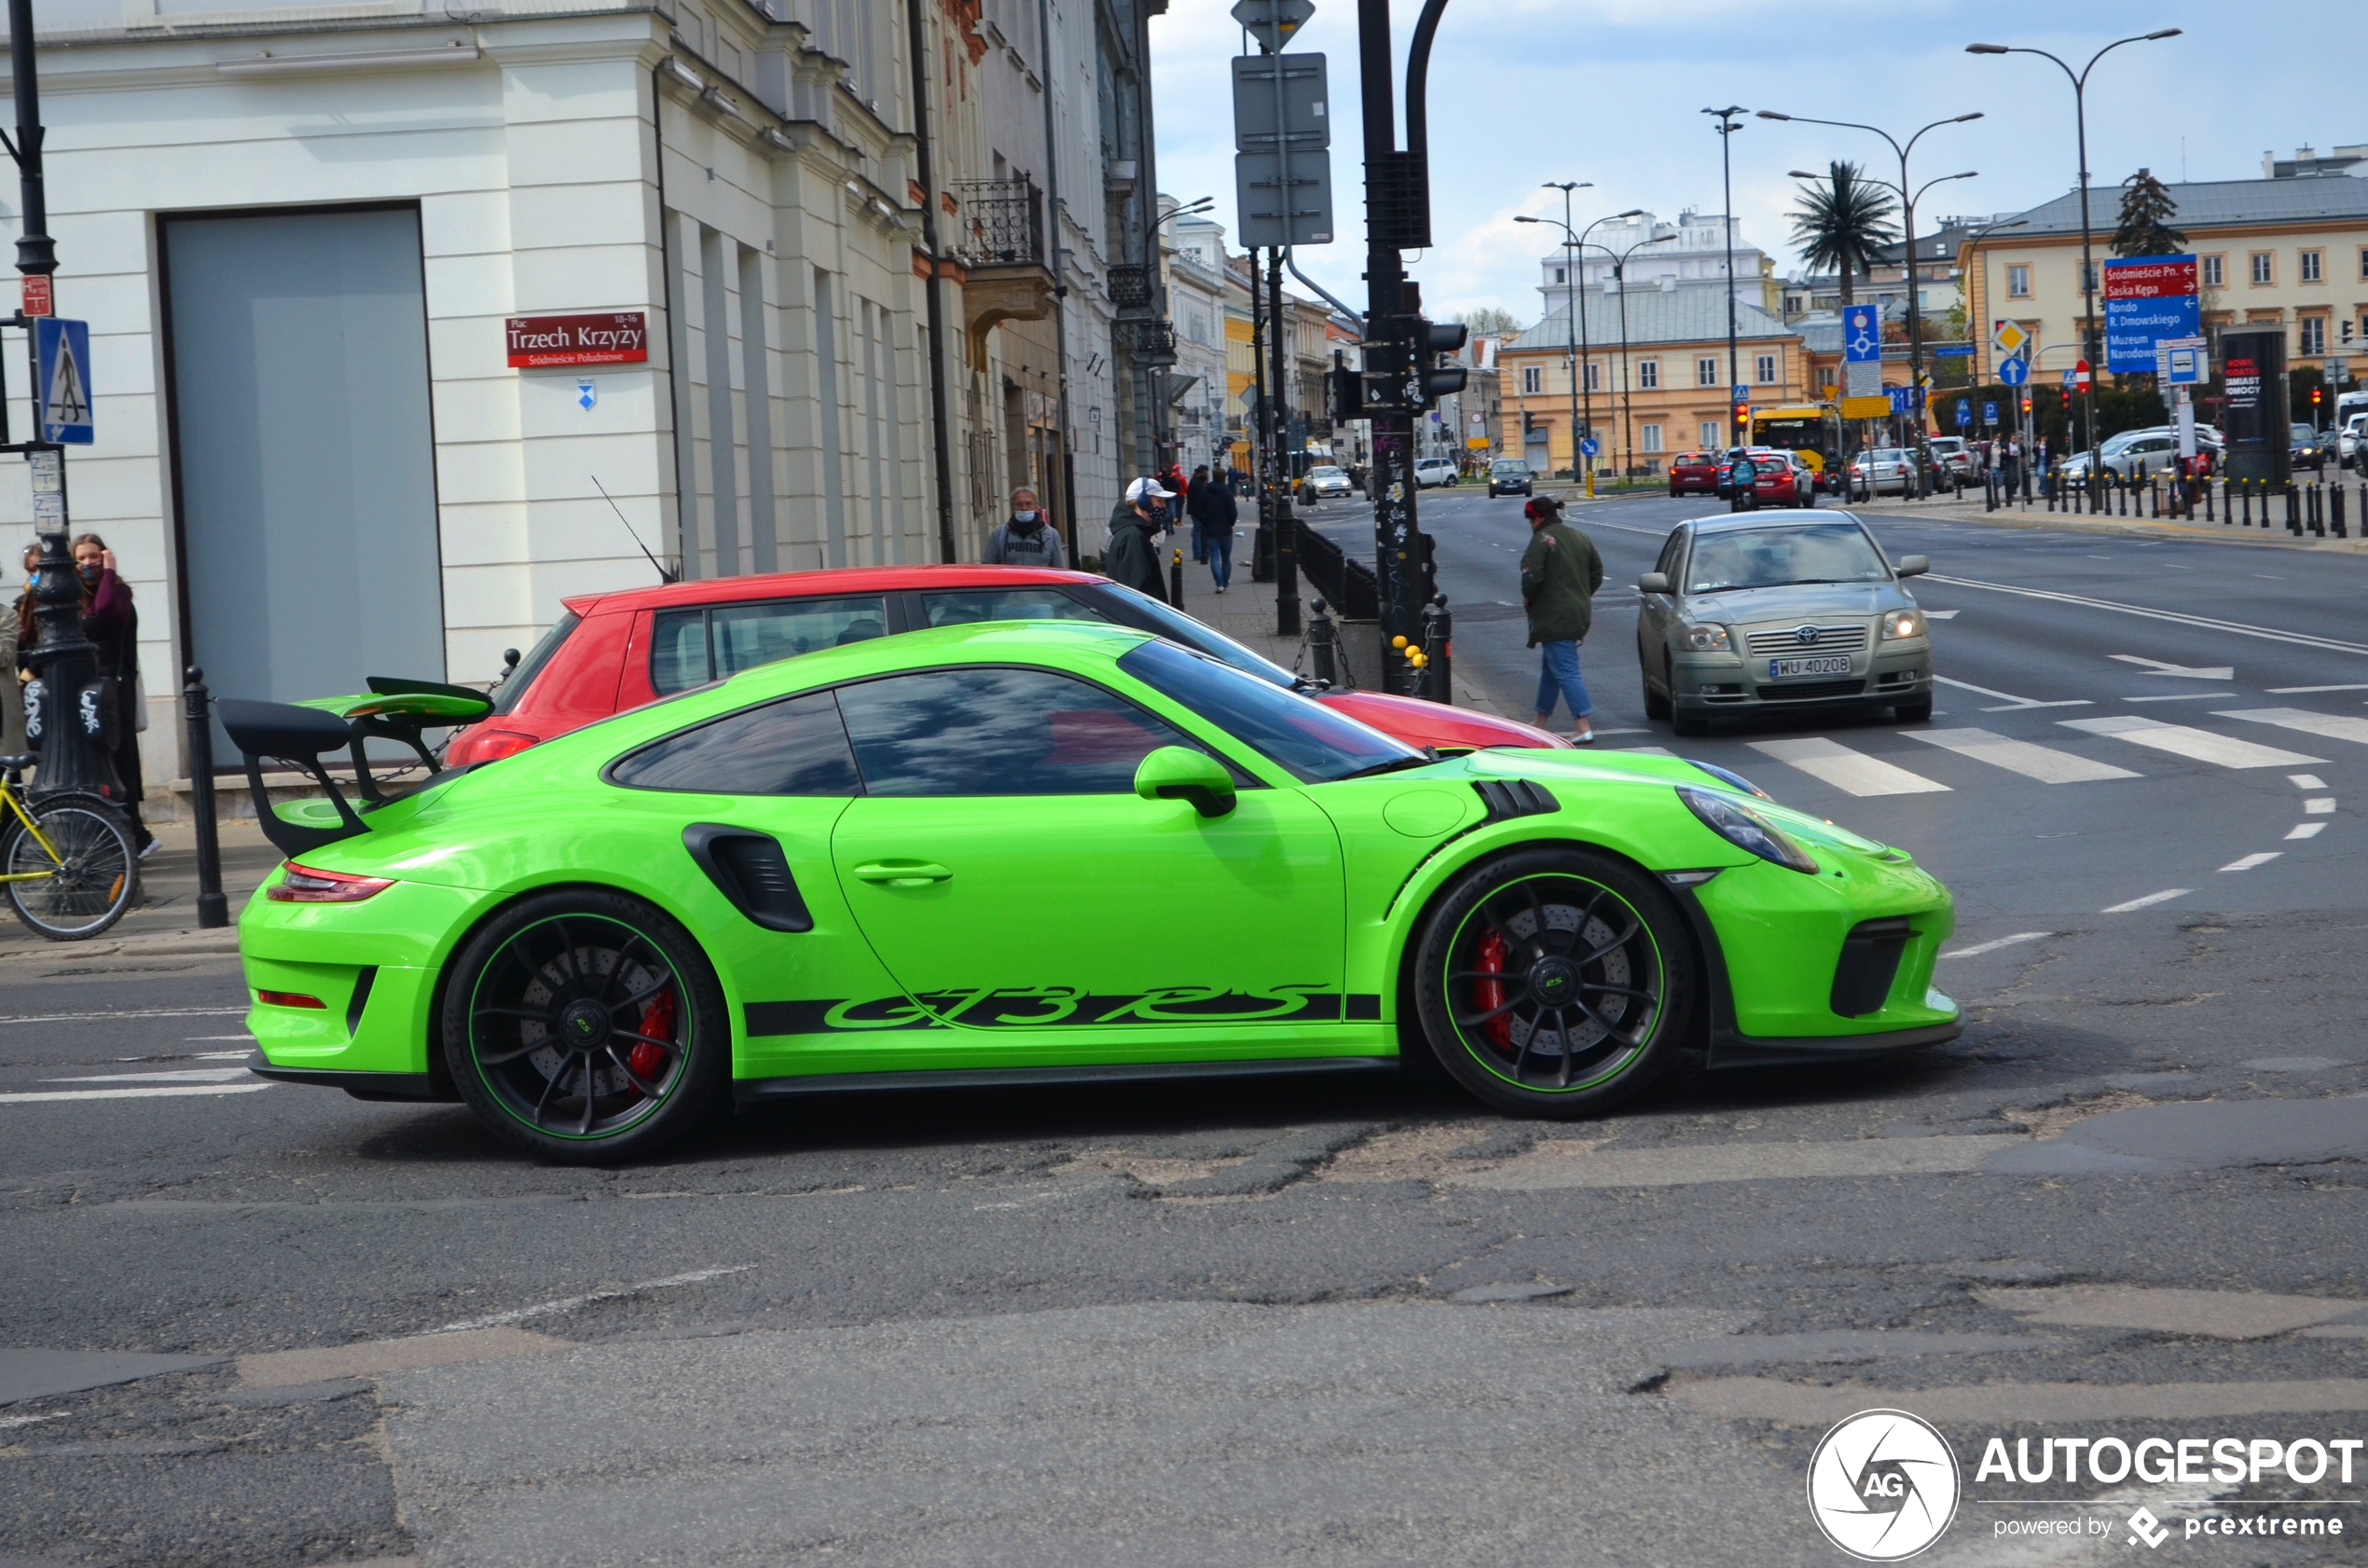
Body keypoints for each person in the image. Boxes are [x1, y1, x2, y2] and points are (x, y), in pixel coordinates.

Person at [72, 533, 153, 855]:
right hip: (88, 691)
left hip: (114, 691)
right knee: (99, 766)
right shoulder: (75, 596)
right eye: (81, 558)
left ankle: (136, 834)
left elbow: (103, 608)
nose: (87, 563)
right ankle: (120, 834)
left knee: (120, 764)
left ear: (104, 556)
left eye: (94, 556)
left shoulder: (117, 592)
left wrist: (109, 571)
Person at [1519, 495, 1603, 745]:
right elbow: (1596, 572)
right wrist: (1581, 593)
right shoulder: (1579, 536)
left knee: (1566, 670)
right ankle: (1540, 721)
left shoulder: (1543, 540)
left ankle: (1583, 725)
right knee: (1551, 669)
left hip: (1554, 615)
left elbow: (1531, 576)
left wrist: (1529, 598)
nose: (1530, 525)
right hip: (1577, 610)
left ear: (1538, 518)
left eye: (1531, 520)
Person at [1104, 477, 1173, 603]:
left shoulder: (1134, 534)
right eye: (1160, 501)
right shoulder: (1133, 538)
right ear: (1143, 502)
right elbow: (1138, 592)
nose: (1164, 506)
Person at [982, 487, 1067, 569]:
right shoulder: (999, 535)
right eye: (1019, 504)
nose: (1024, 508)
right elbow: (987, 567)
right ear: (1012, 508)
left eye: (1028, 504)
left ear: (1037, 508)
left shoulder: (1051, 535)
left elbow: (1059, 569)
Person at [1193, 462, 1239, 594]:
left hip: (1211, 528)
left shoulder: (1205, 492)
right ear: (1224, 478)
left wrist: (1205, 521)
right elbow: (1233, 512)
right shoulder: (1227, 494)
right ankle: (1225, 581)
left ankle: (1219, 583)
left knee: (1214, 557)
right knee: (1226, 558)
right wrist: (1231, 522)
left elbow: (1197, 510)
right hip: (1225, 529)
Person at [1184, 464, 1211, 563]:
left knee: (1197, 530)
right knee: (1198, 531)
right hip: (1197, 511)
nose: (1206, 475)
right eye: (1204, 474)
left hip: (1196, 510)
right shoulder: (1196, 483)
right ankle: (1198, 553)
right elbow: (1201, 496)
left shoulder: (1196, 481)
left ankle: (1199, 551)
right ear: (1200, 473)